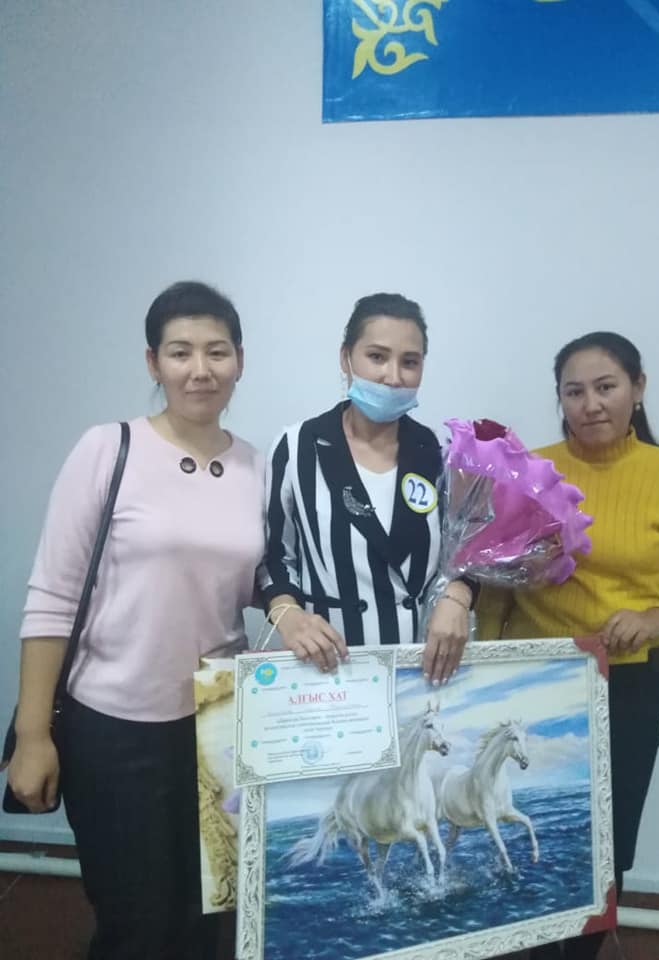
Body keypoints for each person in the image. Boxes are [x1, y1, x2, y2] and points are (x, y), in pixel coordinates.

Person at [4, 281, 265, 959]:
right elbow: (52, 597)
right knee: (136, 922)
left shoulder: (256, 467)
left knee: (211, 914)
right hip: (113, 728)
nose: (200, 369)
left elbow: (269, 582)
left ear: (240, 360)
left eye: (217, 351)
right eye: (180, 352)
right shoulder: (108, 448)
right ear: (154, 362)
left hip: (217, 725)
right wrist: (32, 735)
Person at [477, 331, 659, 960]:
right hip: (535, 681)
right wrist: (486, 665)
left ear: (638, 389)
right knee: (533, 822)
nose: (590, 404)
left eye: (606, 387)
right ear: (559, 398)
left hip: (628, 680)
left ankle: (584, 949)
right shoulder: (531, 472)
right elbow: (497, 581)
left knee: (608, 837)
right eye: (574, 391)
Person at [260, 292, 473, 684]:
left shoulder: (440, 453)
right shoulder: (297, 447)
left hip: (423, 671)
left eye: (409, 362)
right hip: (329, 672)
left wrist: (458, 597)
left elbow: (464, 554)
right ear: (346, 358)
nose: (393, 377)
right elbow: (275, 558)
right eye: (377, 357)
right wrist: (288, 616)